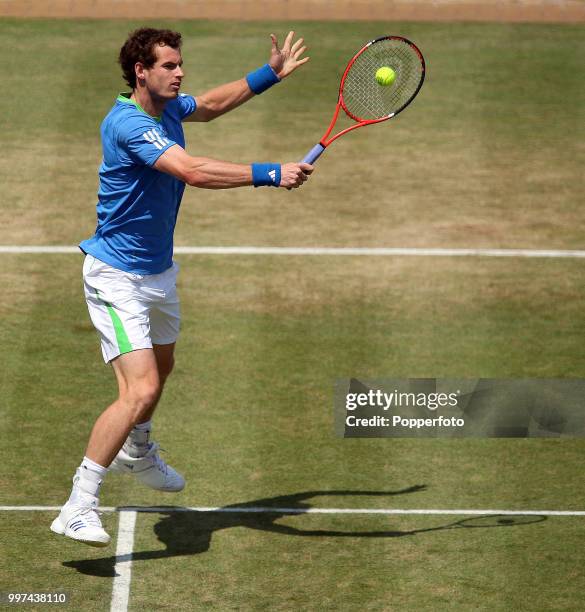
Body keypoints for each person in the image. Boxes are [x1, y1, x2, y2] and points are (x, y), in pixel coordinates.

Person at [50, 27, 313, 547]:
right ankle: (78, 504)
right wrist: (269, 172)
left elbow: (211, 105)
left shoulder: (168, 106)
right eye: (169, 65)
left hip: (158, 271)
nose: (180, 73)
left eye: (180, 63)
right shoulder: (128, 124)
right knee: (141, 387)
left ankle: (138, 449)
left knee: (163, 367)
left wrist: (268, 75)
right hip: (116, 276)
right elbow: (190, 170)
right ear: (140, 72)